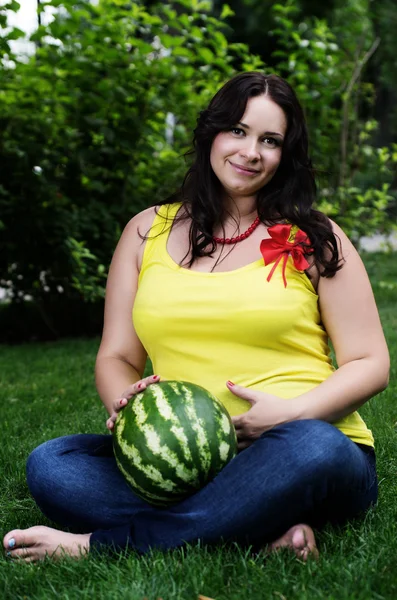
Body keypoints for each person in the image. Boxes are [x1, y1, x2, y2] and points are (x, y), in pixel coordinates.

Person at [3, 72, 389, 563]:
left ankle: (100, 546)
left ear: (284, 154)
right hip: (191, 460)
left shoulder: (314, 237)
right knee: (53, 464)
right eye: (239, 131)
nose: (251, 152)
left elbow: (370, 361)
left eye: (270, 141)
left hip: (305, 445)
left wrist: (291, 414)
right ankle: (256, 522)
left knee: (316, 447)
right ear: (211, 133)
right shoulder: (146, 232)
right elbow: (118, 355)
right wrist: (128, 404)